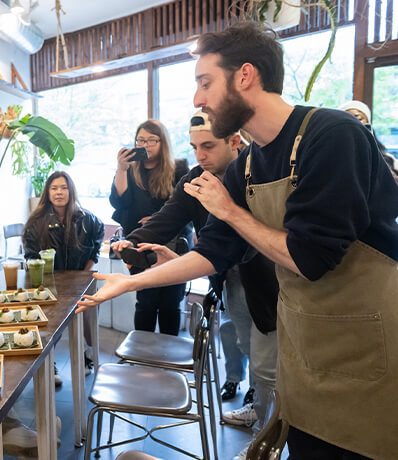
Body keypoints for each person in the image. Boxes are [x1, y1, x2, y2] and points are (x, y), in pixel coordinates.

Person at [78, 22, 398, 459]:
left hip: (371, 354)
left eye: (205, 82)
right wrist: (129, 283)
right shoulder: (247, 165)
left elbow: (310, 258)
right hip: (305, 351)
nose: (198, 99)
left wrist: (228, 209)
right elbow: (213, 250)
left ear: (245, 75)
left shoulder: (332, 135)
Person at [113, 111, 279, 457]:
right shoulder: (196, 178)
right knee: (246, 348)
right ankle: (261, 414)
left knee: (266, 364)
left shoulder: (258, 170)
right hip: (227, 278)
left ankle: (267, 444)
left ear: (235, 141)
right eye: (195, 147)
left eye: (208, 146)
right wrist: (132, 241)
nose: (201, 155)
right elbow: (167, 218)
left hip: (265, 281)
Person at [109, 119, 191, 335]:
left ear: (162, 142)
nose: (145, 145)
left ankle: (167, 359)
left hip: (174, 244)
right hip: (139, 244)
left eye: (151, 140)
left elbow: (187, 209)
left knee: (170, 304)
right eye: (140, 140)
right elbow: (119, 202)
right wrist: (121, 169)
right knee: (145, 302)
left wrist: (156, 219)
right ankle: (141, 357)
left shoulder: (179, 168)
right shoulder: (131, 170)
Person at [23, 171, 104, 381]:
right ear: (48, 192)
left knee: (86, 311)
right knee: (51, 324)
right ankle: (50, 363)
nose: (59, 192)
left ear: (71, 191)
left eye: (64, 188)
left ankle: (88, 353)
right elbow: (31, 257)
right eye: (54, 188)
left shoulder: (89, 220)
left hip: (80, 281)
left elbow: (95, 249)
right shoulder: (36, 222)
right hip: (51, 284)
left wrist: (83, 277)